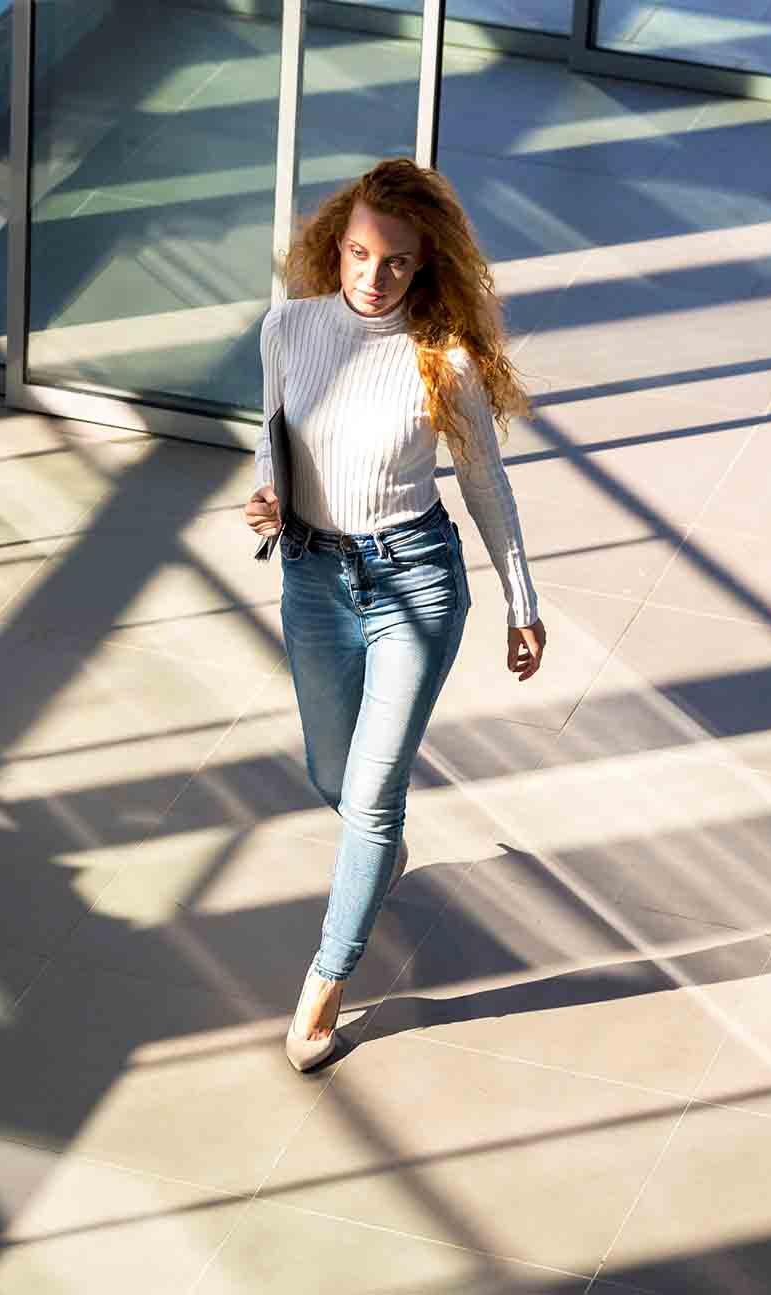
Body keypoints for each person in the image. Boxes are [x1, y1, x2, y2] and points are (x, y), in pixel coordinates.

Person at [243, 159, 548, 1072]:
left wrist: (520, 602)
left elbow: (485, 485)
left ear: (426, 268)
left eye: (396, 264)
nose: (372, 277)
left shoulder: (440, 359)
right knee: (334, 776)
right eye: (359, 254)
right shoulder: (287, 329)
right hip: (312, 578)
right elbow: (275, 443)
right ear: (337, 243)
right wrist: (266, 498)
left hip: (415, 581)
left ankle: (324, 987)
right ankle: (384, 849)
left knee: (371, 798)